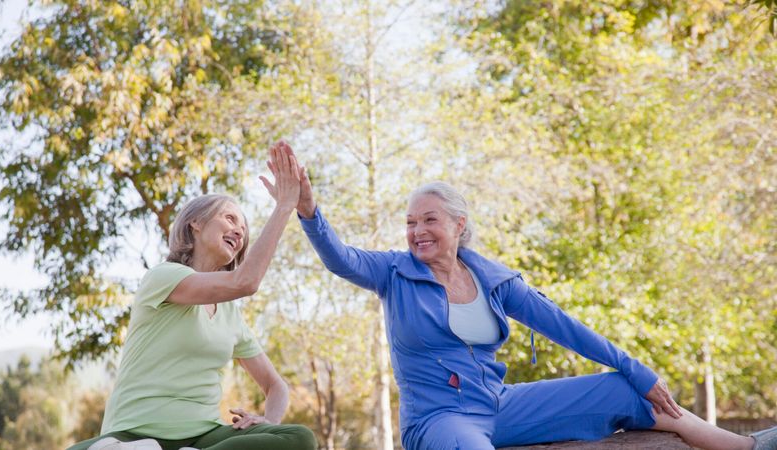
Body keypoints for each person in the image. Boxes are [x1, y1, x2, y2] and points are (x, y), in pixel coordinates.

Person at [290, 147, 776, 449]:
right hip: (438, 423)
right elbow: (339, 258)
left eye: (429, 220)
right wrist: (310, 211)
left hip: (499, 406)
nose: (417, 231)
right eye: (411, 222)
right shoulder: (391, 272)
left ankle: (742, 448)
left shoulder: (493, 280)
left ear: (459, 225)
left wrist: (635, 369)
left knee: (623, 391)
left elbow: (564, 326)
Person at [68, 143, 317, 450]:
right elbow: (246, 281)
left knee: (299, 438)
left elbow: (275, 386)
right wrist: (283, 206)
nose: (239, 232)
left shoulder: (230, 313)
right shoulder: (163, 277)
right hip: (136, 432)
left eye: (243, 229)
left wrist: (269, 421)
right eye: (229, 218)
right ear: (195, 224)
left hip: (204, 435)